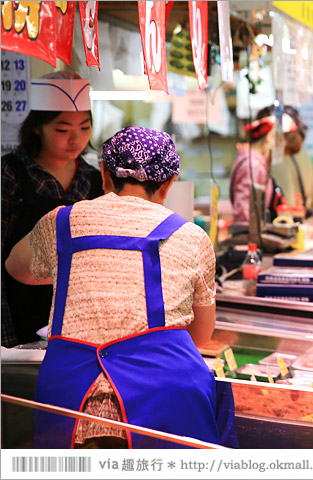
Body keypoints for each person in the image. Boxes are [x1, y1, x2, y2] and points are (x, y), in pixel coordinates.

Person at [5, 126, 237, 449]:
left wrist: (69, 266)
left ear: (104, 173)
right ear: (169, 184)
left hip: (70, 406)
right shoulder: (192, 237)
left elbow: (16, 267)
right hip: (165, 403)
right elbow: (199, 337)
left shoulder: (62, 223)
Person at [1, 71, 104, 348]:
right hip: (17, 318)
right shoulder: (10, 173)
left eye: (85, 127)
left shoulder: (95, 180)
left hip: (77, 327)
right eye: (62, 129)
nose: (76, 139)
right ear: (37, 126)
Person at [270, 106, 313, 217]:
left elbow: (287, 200)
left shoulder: (278, 159)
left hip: (288, 224)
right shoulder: (305, 155)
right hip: (303, 221)